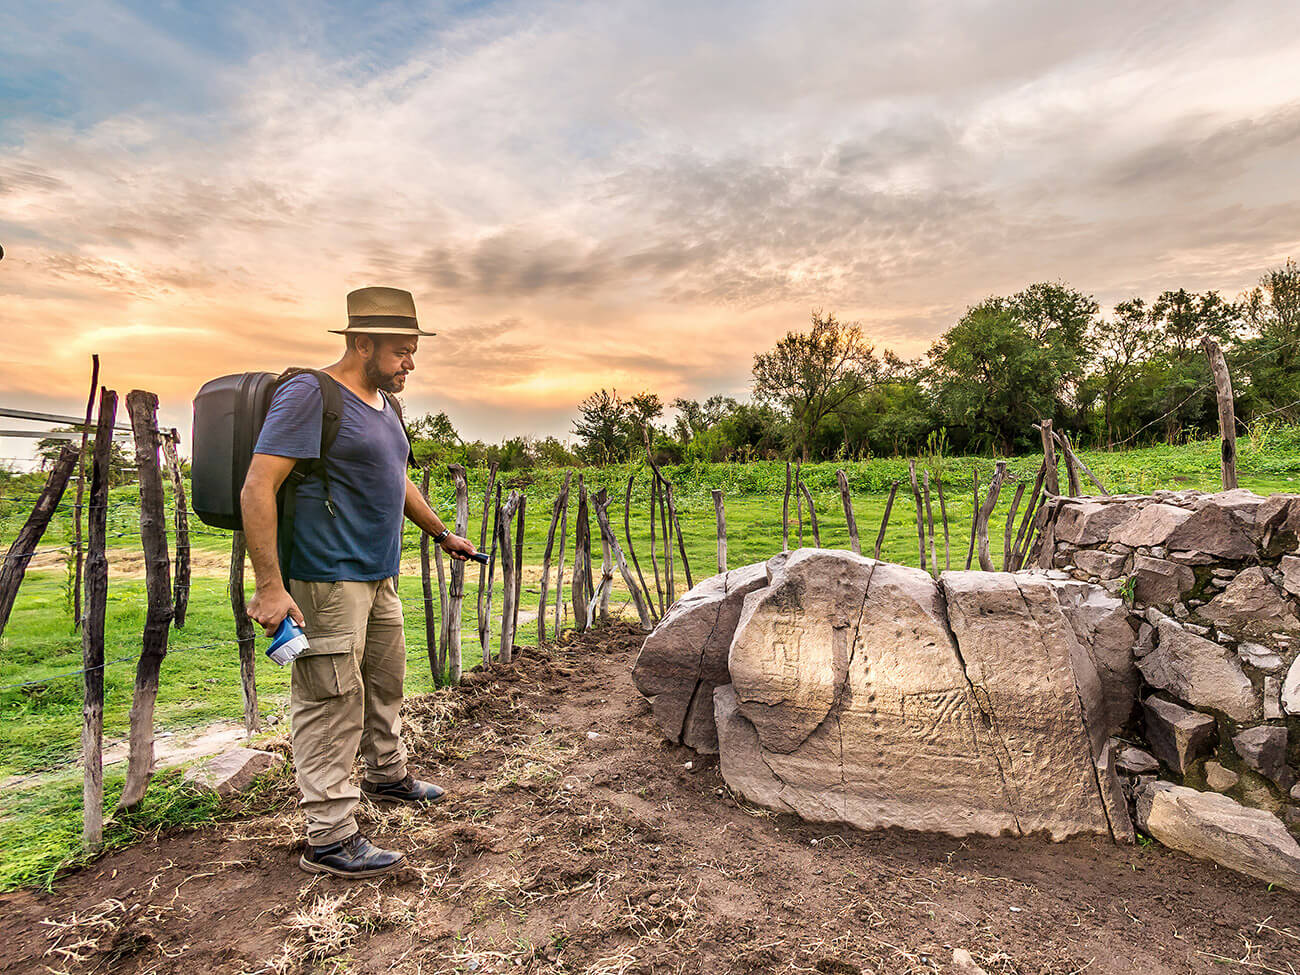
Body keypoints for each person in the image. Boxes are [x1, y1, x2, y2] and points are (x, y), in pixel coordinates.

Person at [242, 286, 477, 878]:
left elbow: (397, 479)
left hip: (378, 574)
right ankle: (329, 835)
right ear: (362, 343)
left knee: (384, 681)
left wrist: (441, 532)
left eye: (413, 351)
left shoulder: (385, 406)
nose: (410, 363)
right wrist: (270, 585)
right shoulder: (310, 394)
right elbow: (258, 486)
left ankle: (386, 774)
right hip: (327, 576)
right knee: (331, 698)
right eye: (401, 351)